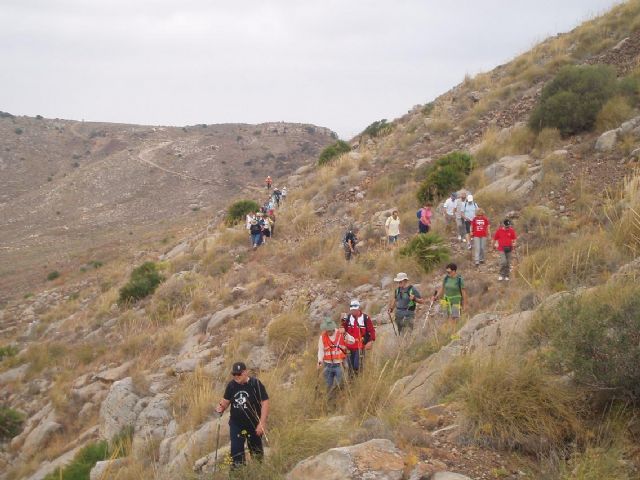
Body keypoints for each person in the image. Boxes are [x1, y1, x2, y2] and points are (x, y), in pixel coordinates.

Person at [215, 362, 269, 468]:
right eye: (234, 374)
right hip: (236, 425)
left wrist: (262, 423)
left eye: (239, 374)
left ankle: (258, 472)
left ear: (246, 372)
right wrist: (221, 407)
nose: (236, 376)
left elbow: (265, 402)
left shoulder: (255, 384)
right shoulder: (231, 385)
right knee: (236, 452)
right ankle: (238, 474)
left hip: (254, 424)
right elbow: (225, 401)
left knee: (256, 452)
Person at [341, 300, 375, 375]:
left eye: (354, 310)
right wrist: (342, 323)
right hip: (349, 346)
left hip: (360, 346)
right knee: (349, 367)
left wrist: (370, 341)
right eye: (352, 310)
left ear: (359, 308)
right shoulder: (348, 317)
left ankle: (359, 378)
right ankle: (351, 380)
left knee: (357, 365)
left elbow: (372, 330)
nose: (353, 311)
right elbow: (343, 329)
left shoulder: (365, 318)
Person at [317, 317, 350, 392]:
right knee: (328, 386)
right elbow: (321, 350)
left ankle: (338, 397)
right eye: (326, 330)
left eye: (329, 330)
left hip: (339, 365)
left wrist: (345, 333)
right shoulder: (322, 337)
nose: (328, 332)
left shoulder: (341, 333)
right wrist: (319, 361)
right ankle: (329, 398)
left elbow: (352, 341)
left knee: (339, 386)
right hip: (327, 365)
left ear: (333, 328)